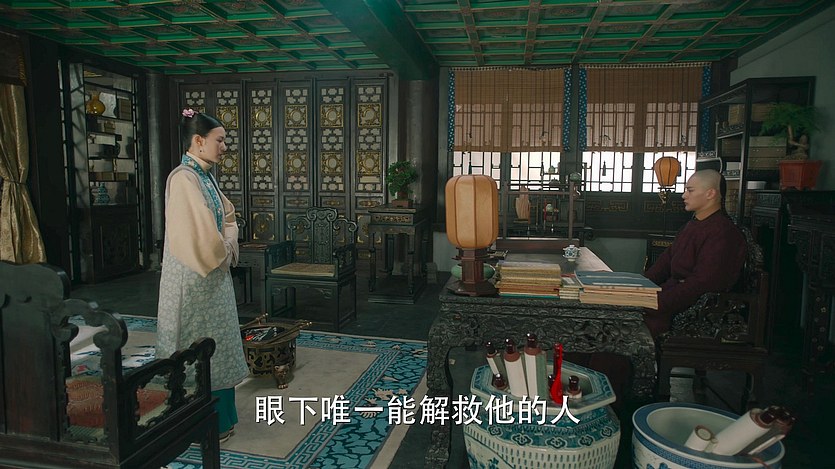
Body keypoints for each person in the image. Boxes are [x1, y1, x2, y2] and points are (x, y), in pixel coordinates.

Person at [156, 108, 249, 442]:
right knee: (196, 347)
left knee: (216, 348)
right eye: (219, 140)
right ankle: (195, 421)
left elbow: (227, 213)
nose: (224, 146)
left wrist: (226, 240)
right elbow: (200, 235)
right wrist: (224, 244)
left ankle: (220, 420)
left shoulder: (204, 175)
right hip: (193, 280)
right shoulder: (184, 178)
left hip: (212, 275)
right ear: (198, 141)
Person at [643, 169, 747, 338]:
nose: (684, 195)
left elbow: (703, 283)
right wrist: (639, 287)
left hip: (692, 308)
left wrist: (656, 302)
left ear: (710, 193)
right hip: (671, 294)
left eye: (690, 190)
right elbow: (665, 263)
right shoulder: (691, 226)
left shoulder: (723, 232)